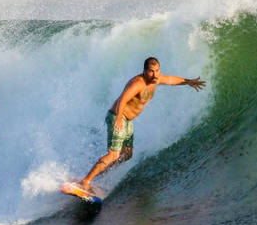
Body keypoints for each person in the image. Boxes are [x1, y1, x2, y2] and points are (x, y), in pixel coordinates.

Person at [76, 57, 205, 190]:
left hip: (127, 120)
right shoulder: (138, 83)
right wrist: (119, 118)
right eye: (151, 71)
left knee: (126, 154)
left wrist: (188, 81)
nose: (155, 74)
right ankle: (85, 181)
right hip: (118, 117)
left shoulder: (156, 79)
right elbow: (123, 99)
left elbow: (171, 80)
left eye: (157, 71)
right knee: (113, 154)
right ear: (144, 71)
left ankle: (97, 175)